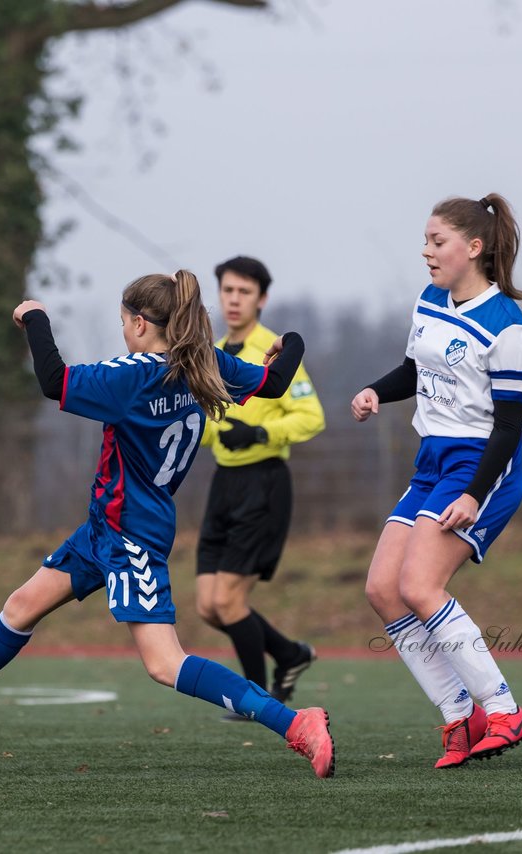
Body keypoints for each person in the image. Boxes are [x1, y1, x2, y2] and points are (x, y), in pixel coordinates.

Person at [0, 271, 335, 778]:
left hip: (132, 533)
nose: (122, 332)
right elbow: (277, 380)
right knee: (21, 606)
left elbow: (53, 381)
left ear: (138, 323)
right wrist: (292, 343)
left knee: (164, 664)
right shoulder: (204, 364)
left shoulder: (131, 376)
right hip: (106, 526)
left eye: (121, 322)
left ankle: (294, 722)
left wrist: (34, 317)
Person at [351, 194, 522, 768]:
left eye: (438, 241)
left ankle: (504, 708)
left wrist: (473, 494)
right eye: (426, 240)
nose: (427, 251)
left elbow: (507, 429)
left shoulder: (508, 326)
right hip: (433, 461)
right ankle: (461, 714)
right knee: (383, 588)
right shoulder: (431, 300)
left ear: (473, 248)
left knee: (421, 588)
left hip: (481, 467)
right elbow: (416, 368)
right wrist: (375, 392)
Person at [195, 256, 325, 713]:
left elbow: (311, 417)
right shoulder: (209, 352)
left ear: (261, 299)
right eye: (228, 290)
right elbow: (205, 423)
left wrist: (261, 432)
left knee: (229, 602)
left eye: (244, 292)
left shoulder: (275, 350)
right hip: (223, 483)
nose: (234, 299)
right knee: (208, 606)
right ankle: (289, 654)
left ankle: (253, 698)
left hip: (264, 483)